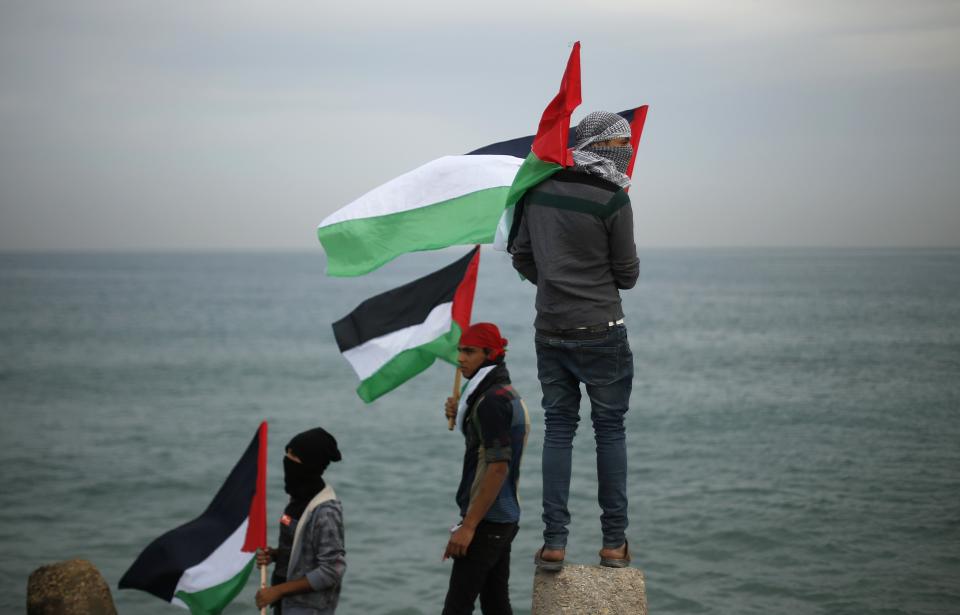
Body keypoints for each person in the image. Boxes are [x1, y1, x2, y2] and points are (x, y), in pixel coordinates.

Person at [509, 110, 640, 570]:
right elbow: (627, 276)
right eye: (619, 143)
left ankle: (554, 544)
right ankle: (613, 542)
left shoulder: (537, 192)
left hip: (551, 329)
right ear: (601, 145)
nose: (625, 150)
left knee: (559, 431)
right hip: (602, 328)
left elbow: (522, 257)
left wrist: (553, 283)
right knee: (610, 431)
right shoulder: (613, 199)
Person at [441, 323, 531, 615]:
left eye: (469, 352)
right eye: (460, 350)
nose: (461, 358)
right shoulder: (500, 392)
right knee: (495, 603)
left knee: (457, 607)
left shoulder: (490, 401)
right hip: (503, 517)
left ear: (491, 354)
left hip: (487, 520)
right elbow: (486, 445)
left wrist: (468, 526)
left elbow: (497, 467)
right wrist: (464, 416)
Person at [255, 428, 346, 614]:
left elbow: (331, 571)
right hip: (283, 606)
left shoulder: (325, 511)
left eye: (293, 457)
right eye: (286, 454)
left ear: (309, 464)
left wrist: (278, 591)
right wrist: (276, 555)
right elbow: (305, 551)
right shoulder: (297, 499)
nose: (287, 461)